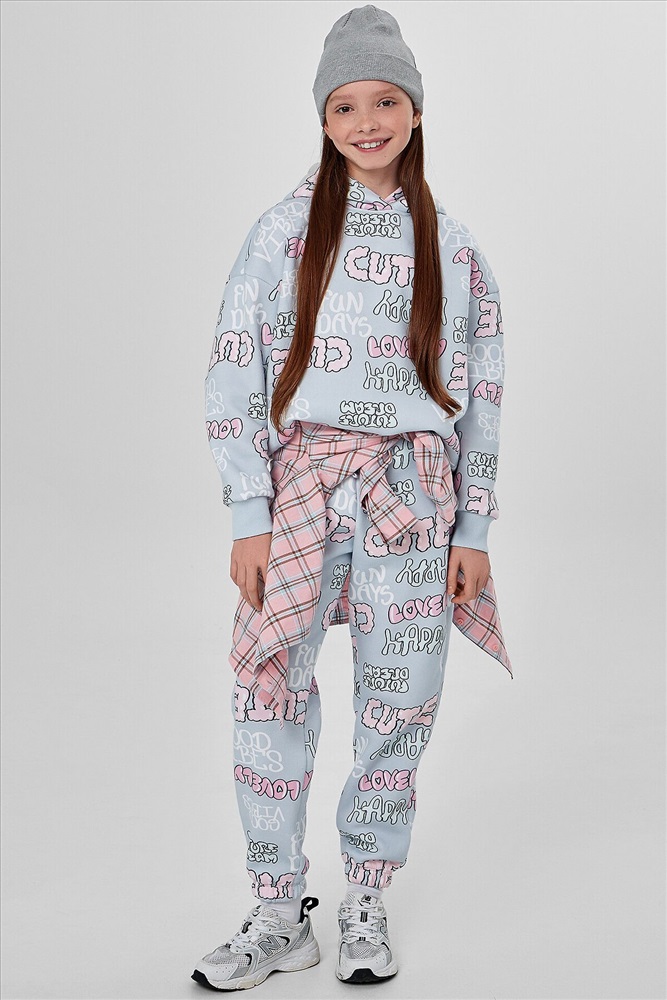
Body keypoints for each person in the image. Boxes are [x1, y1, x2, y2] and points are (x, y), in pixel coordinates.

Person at [192, 4, 513, 991]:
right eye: (344, 106)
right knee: (270, 686)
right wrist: (248, 511)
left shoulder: (454, 249)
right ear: (322, 119)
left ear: (414, 111)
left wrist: (472, 527)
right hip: (301, 494)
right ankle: (277, 907)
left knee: (398, 699)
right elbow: (233, 369)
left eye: (385, 102)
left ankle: (365, 895)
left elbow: (482, 394)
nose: (366, 122)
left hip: (412, 499)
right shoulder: (282, 233)